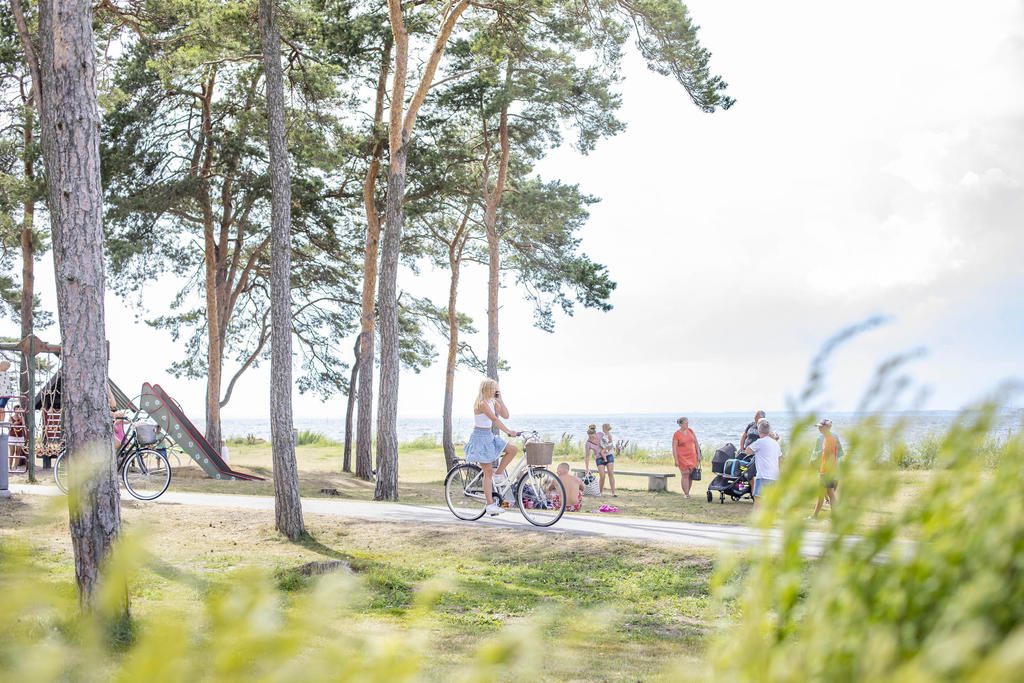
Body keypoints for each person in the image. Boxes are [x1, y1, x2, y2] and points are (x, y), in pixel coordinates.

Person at [463, 378, 518, 516]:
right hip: (480, 438)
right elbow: (494, 419)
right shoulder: (482, 404)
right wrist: (508, 432)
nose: (496, 390)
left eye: (497, 388)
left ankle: (498, 473)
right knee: (487, 472)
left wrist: (500, 400)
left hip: (489, 435)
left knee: (513, 450)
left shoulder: (492, 402)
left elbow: (505, 415)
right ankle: (489, 505)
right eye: (494, 388)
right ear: (487, 389)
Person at [743, 418, 782, 506]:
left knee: (758, 500)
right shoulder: (776, 444)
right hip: (775, 476)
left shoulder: (759, 442)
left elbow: (747, 451)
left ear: (759, 431)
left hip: (763, 476)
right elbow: (780, 459)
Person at [811, 418, 843, 518]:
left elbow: (832, 456)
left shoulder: (830, 439)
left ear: (827, 427)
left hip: (827, 471)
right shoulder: (826, 438)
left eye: (821, 427)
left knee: (830, 494)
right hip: (825, 470)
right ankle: (815, 516)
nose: (819, 429)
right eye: (819, 427)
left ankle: (831, 516)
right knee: (826, 494)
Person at [672, 417, 701, 498]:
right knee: (685, 474)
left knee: (691, 474)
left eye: (687, 422)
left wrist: (698, 454)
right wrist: (676, 459)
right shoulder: (676, 434)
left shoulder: (691, 431)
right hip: (682, 457)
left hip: (692, 456)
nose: (687, 424)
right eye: (685, 423)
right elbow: (674, 448)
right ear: (680, 424)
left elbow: (696, 443)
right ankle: (686, 494)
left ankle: (688, 492)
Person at [598, 422, 616, 496]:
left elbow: (611, 443)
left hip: (609, 455)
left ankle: (613, 492)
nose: (602, 430)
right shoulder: (602, 435)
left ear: (605, 428)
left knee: (610, 472)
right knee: (602, 476)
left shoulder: (609, 435)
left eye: (603, 428)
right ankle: (600, 492)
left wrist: (608, 446)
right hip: (602, 455)